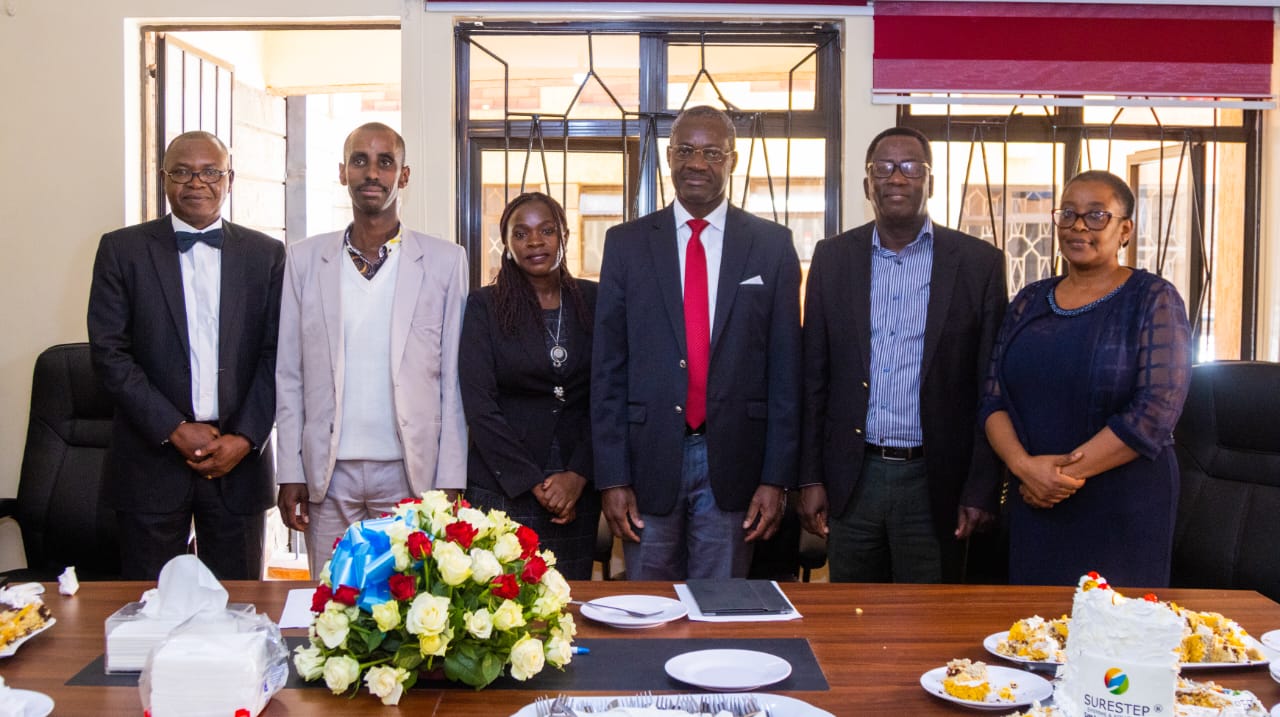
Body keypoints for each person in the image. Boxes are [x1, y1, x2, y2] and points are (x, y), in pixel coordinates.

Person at [592, 105, 802, 580]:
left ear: (733, 161)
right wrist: (613, 477)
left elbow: (786, 371)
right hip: (648, 461)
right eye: (685, 150)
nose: (697, 163)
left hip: (736, 463)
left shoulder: (772, 245)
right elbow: (608, 369)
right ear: (669, 157)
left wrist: (776, 478)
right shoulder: (626, 244)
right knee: (649, 607)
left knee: (719, 606)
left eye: (712, 153)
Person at [798, 126, 1008, 584]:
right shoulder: (832, 259)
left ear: (930, 182)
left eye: (911, 167)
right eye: (884, 168)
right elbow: (814, 377)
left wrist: (980, 487)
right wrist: (810, 478)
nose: (896, 178)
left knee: (930, 614)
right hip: (853, 479)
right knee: (853, 614)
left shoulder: (979, 264)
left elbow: (991, 385)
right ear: (867, 184)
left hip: (936, 481)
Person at [979, 170, 1192, 587]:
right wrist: (1025, 468)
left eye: (1097, 215)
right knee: (1032, 622)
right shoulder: (1029, 300)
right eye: (1068, 214)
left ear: (1125, 229)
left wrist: (1057, 476)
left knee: (1115, 624)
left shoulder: (1153, 298)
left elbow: (1154, 412)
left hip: (1121, 506)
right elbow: (992, 398)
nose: (1078, 226)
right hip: (1033, 499)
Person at [88, 131, 284, 581]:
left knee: (238, 606)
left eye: (210, 171)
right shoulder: (121, 250)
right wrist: (173, 428)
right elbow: (110, 353)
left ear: (229, 179)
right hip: (149, 462)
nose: (197, 182)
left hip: (238, 464)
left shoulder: (267, 255)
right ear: (164, 179)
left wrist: (244, 438)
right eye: (182, 172)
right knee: (150, 607)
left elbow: (279, 355)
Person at [275, 122, 469, 577]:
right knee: (331, 599)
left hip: (411, 474)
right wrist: (290, 470)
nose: (372, 173)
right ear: (343, 172)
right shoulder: (304, 260)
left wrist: (451, 477)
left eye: (385, 162)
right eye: (360, 161)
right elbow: (290, 373)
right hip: (327, 474)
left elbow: (455, 380)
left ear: (404, 175)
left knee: (409, 605)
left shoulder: (445, 261)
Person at [460, 192, 600, 579]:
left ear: (564, 235)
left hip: (576, 487)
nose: (534, 242)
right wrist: (533, 483)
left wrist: (578, 475)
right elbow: (480, 405)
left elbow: (608, 396)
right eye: (520, 234)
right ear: (507, 244)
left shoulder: (595, 300)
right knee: (500, 600)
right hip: (504, 483)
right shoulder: (484, 306)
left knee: (568, 598)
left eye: (546, 231)